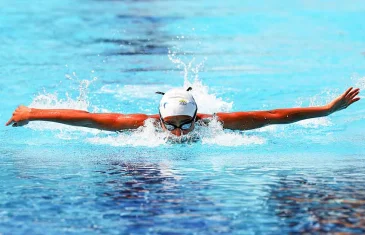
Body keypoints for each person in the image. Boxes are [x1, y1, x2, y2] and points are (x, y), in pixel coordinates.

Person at [5, 87, 361, 136]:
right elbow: (87, 118)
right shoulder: (142, 126)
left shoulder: (215, 123)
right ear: (158, 119)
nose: (177, 133)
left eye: (184, 124)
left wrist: (327, 111)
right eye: (170, 125)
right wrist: (33, 112)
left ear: (198, 117)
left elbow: (275, 114)